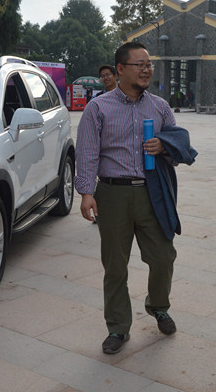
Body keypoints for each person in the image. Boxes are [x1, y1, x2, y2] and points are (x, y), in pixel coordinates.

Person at [76, 42, 195, 355]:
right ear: (120, 69)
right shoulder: (98, 108)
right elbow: (87, 152)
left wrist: (164, 146)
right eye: (139, 64)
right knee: (115, 265)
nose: (146, 70)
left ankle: (158, 306)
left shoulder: (159, 107)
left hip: (152, 191)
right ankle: (118, 327)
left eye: (149, 64)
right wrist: (86, 192)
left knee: (163, 256)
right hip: (112, 193)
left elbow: (179, 144)